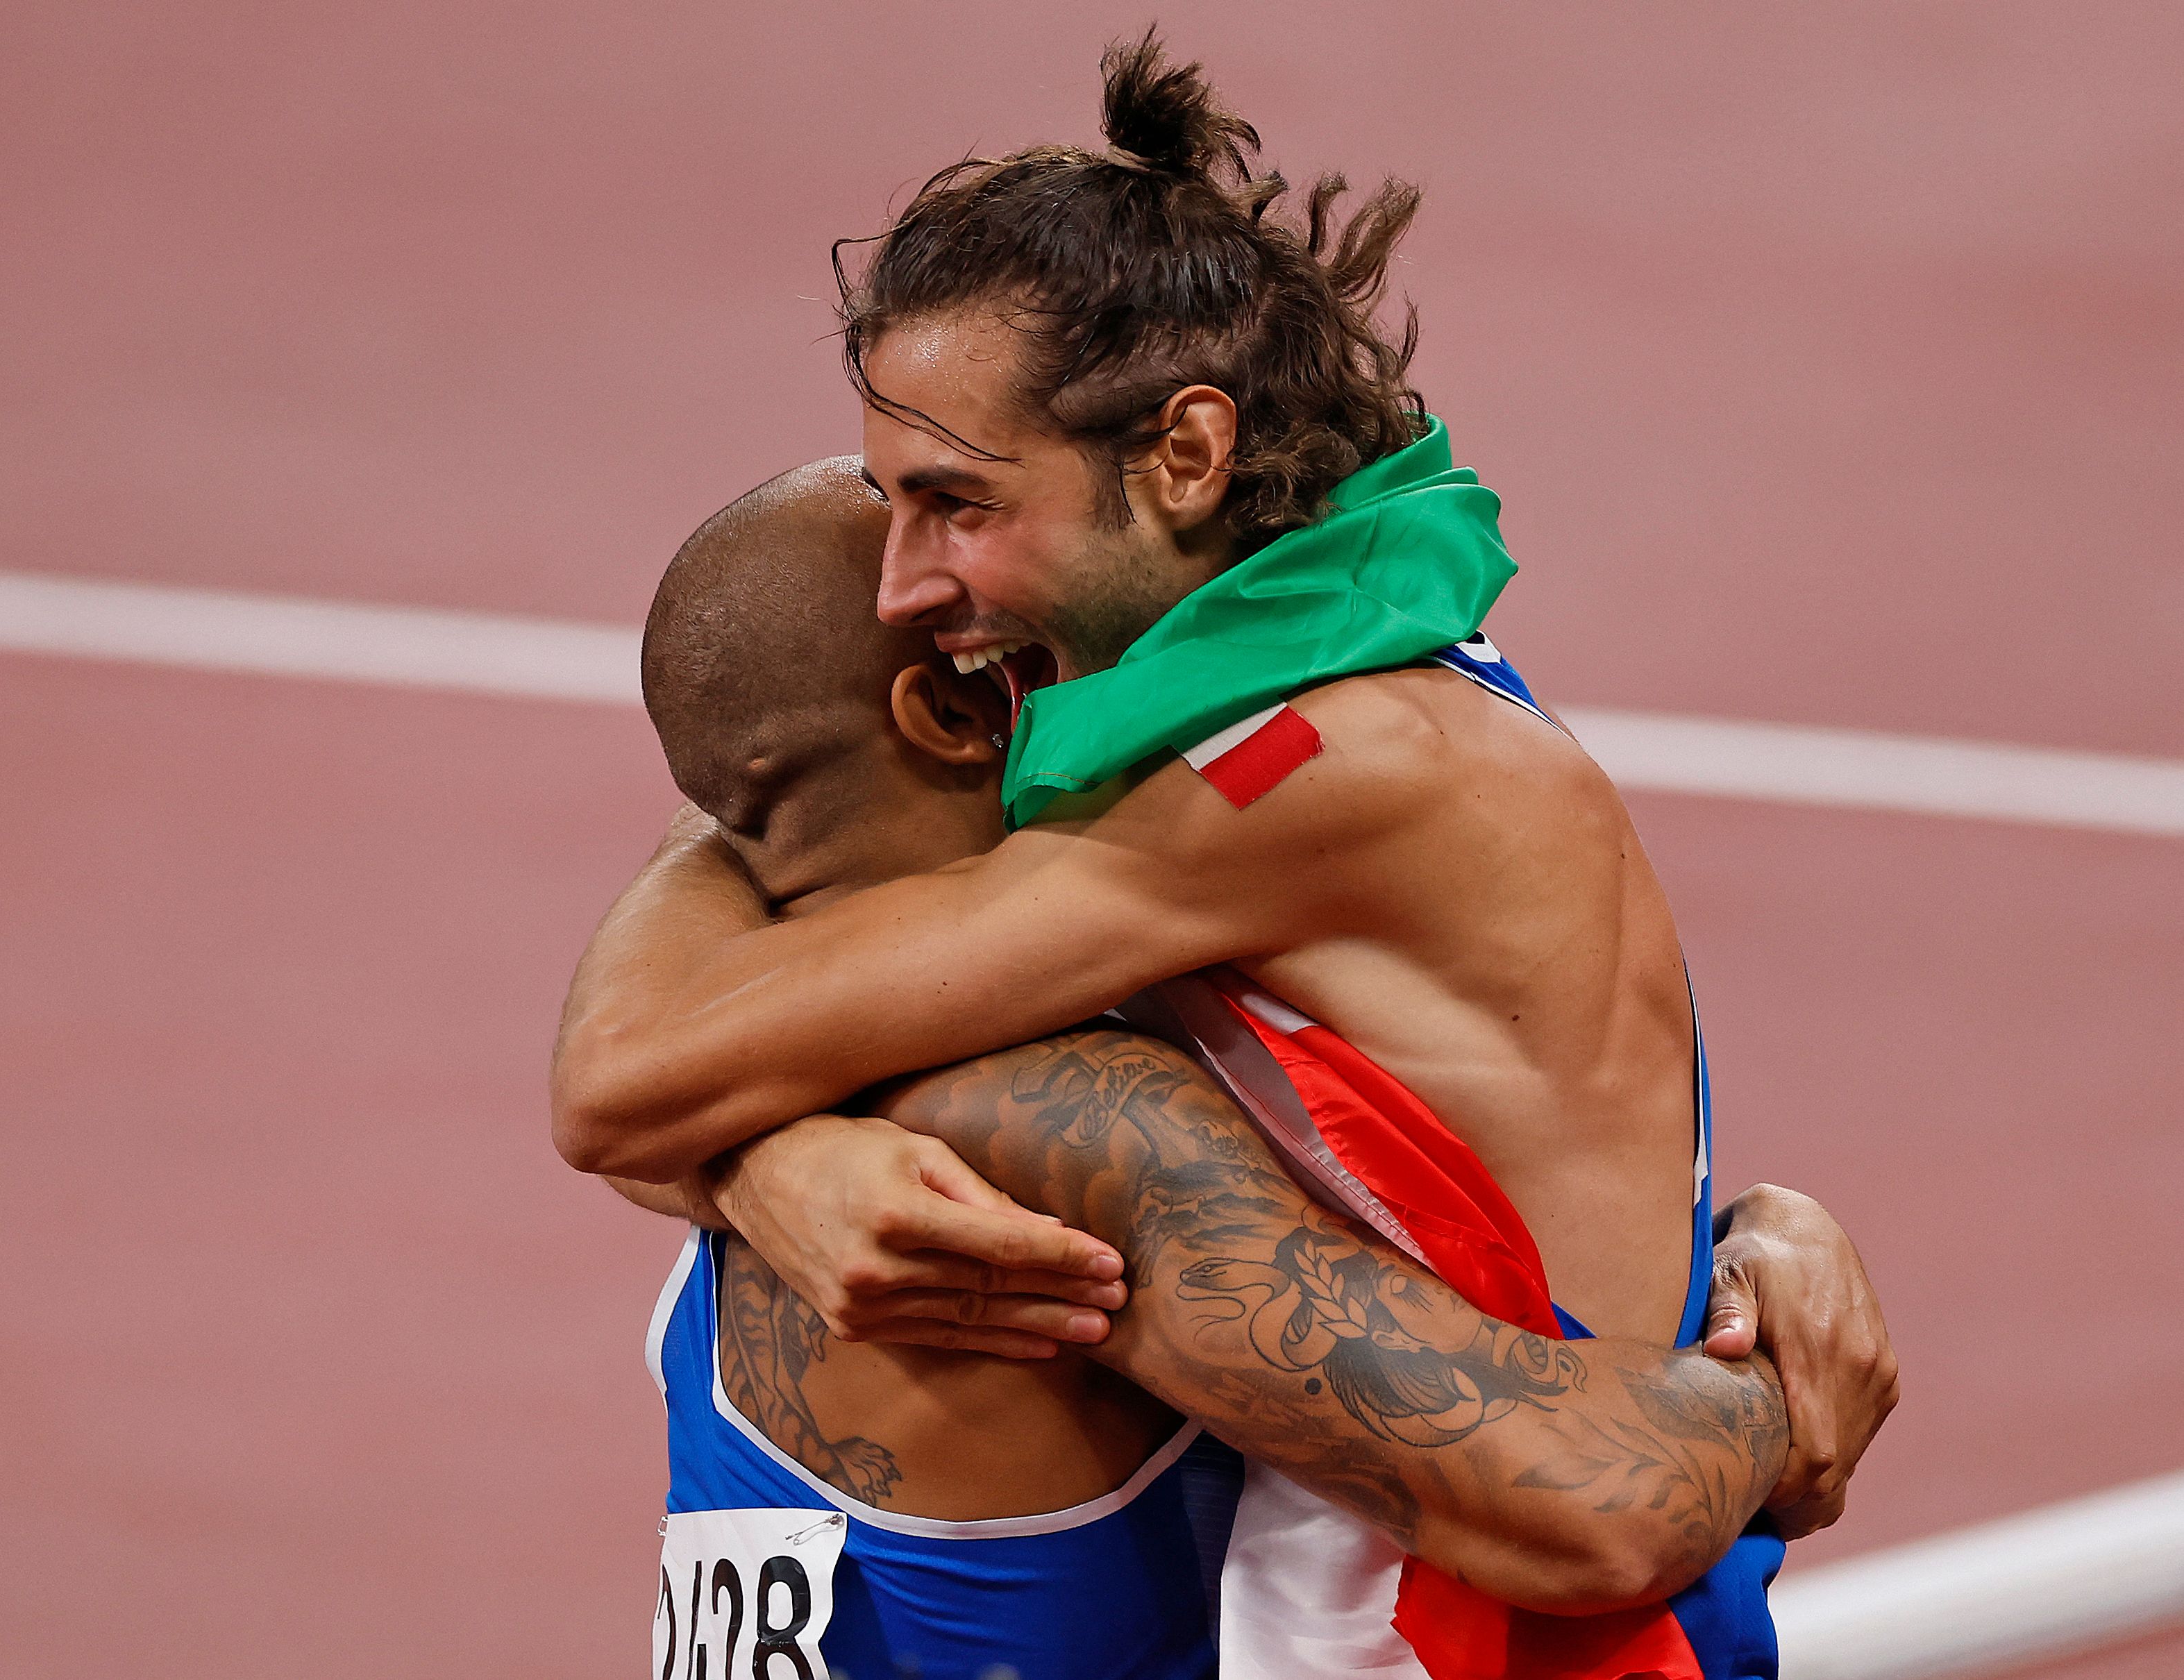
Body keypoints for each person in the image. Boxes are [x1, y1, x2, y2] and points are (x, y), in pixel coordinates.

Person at [558, 36, 1898, 1679]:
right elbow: (754, 977)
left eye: (958, 505)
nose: (908, 580)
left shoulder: (1294, 776)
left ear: (1184, 456)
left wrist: (1747, 1400)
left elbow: (634, 1071)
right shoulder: (1319, 670)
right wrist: (781, 1164)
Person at [616, 460, 1834, 1680]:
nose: (1157, 681)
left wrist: (739, 1162)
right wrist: (1775, 1362)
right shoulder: (1066, 1121)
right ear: (953, 710)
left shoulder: (730, 1067)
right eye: (1044, 649)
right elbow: (1596, 1510)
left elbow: (672, 937)